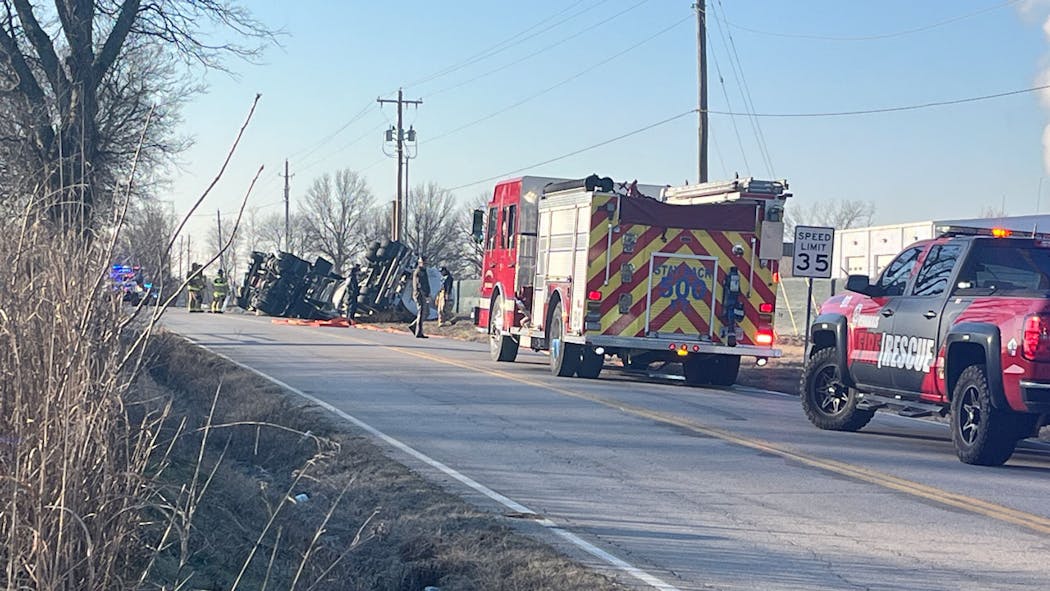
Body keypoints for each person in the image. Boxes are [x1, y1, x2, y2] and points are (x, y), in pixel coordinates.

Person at [407, 256, 430, 338]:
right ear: (420, 263)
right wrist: (426, 295)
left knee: (426, 313)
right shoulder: (419, 272)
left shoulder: (424, 271)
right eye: (424, 263)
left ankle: (413, 326)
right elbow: (420, 285)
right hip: (420, 294)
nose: (426, 264)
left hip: (422, 294)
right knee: (422, 312)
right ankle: (419, 332)